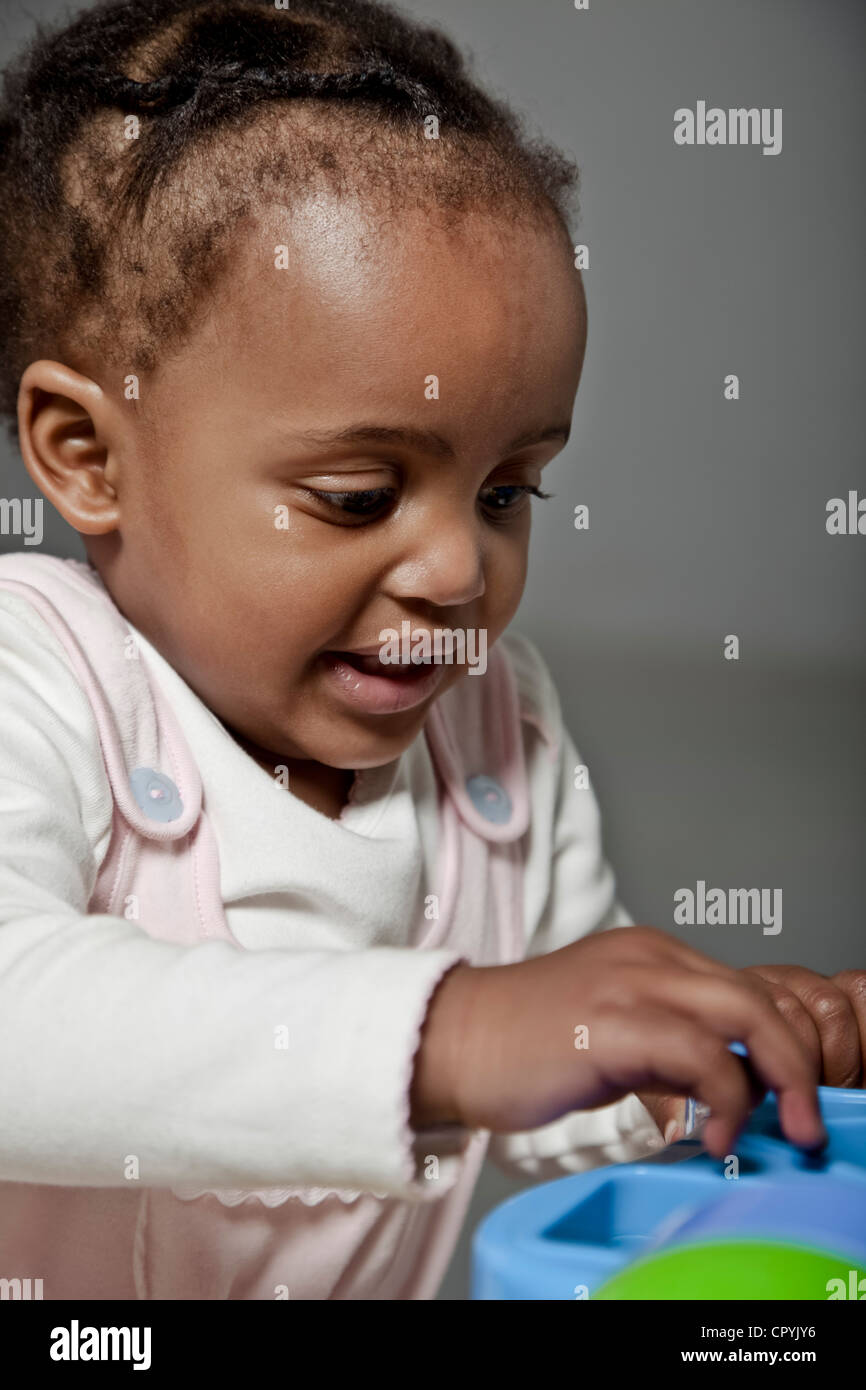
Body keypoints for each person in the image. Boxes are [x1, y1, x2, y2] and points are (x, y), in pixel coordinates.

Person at [0, 0, 860, 1300]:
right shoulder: (38, 679)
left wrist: (697, 1062)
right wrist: (448, 1034)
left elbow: (551, 1072)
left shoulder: (495, 731)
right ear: (88, 456)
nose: (458, 569)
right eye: (357, 495)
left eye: (509, 490)